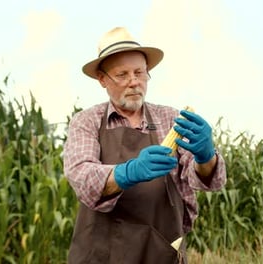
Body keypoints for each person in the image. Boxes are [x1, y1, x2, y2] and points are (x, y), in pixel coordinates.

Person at [63, 26, 227, 264]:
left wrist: (206, 157)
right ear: (102, 80)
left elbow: (207, 179)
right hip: (102, 255)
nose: (134, 82)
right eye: (122, 75)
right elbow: (82, 176)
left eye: (140, 73)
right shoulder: (87, 122)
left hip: (160, 251)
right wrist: (127, 172)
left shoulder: (171, 119)